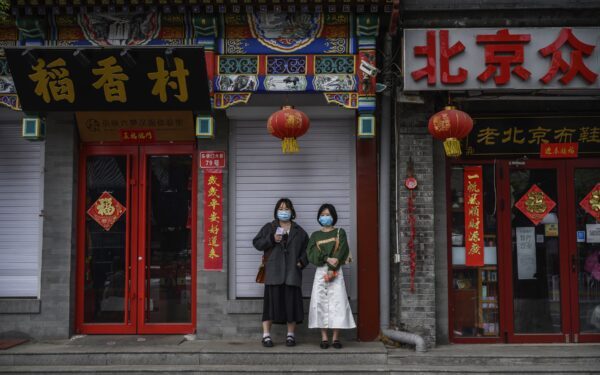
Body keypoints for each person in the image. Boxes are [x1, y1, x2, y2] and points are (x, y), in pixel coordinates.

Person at [253, 198, 309, 348]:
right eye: (281, 209)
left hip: (292, 273)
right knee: (270, 306)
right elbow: (257, 243)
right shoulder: (269, 227)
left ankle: (290, 335)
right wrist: (272, 239)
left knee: (291, 305)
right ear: (276, 211)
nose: (284, 212)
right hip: (273, 273)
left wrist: (301, 262)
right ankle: (266, 335)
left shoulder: (299, 231)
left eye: (287, 209)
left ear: (292, 212)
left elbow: (308, 250)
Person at [307, 203, 356, 349]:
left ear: (333, 216)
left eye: (327, 214)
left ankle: (335, 338)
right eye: (322, 215)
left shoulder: (340, 232)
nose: (325, 217)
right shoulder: (315, 235)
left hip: (336, 271)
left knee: (338, 303)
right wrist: (327, 259)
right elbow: (311, 253)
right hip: (321, 271)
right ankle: (323, 338)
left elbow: (342, 251)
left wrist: (332, 268)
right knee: (320, 302)